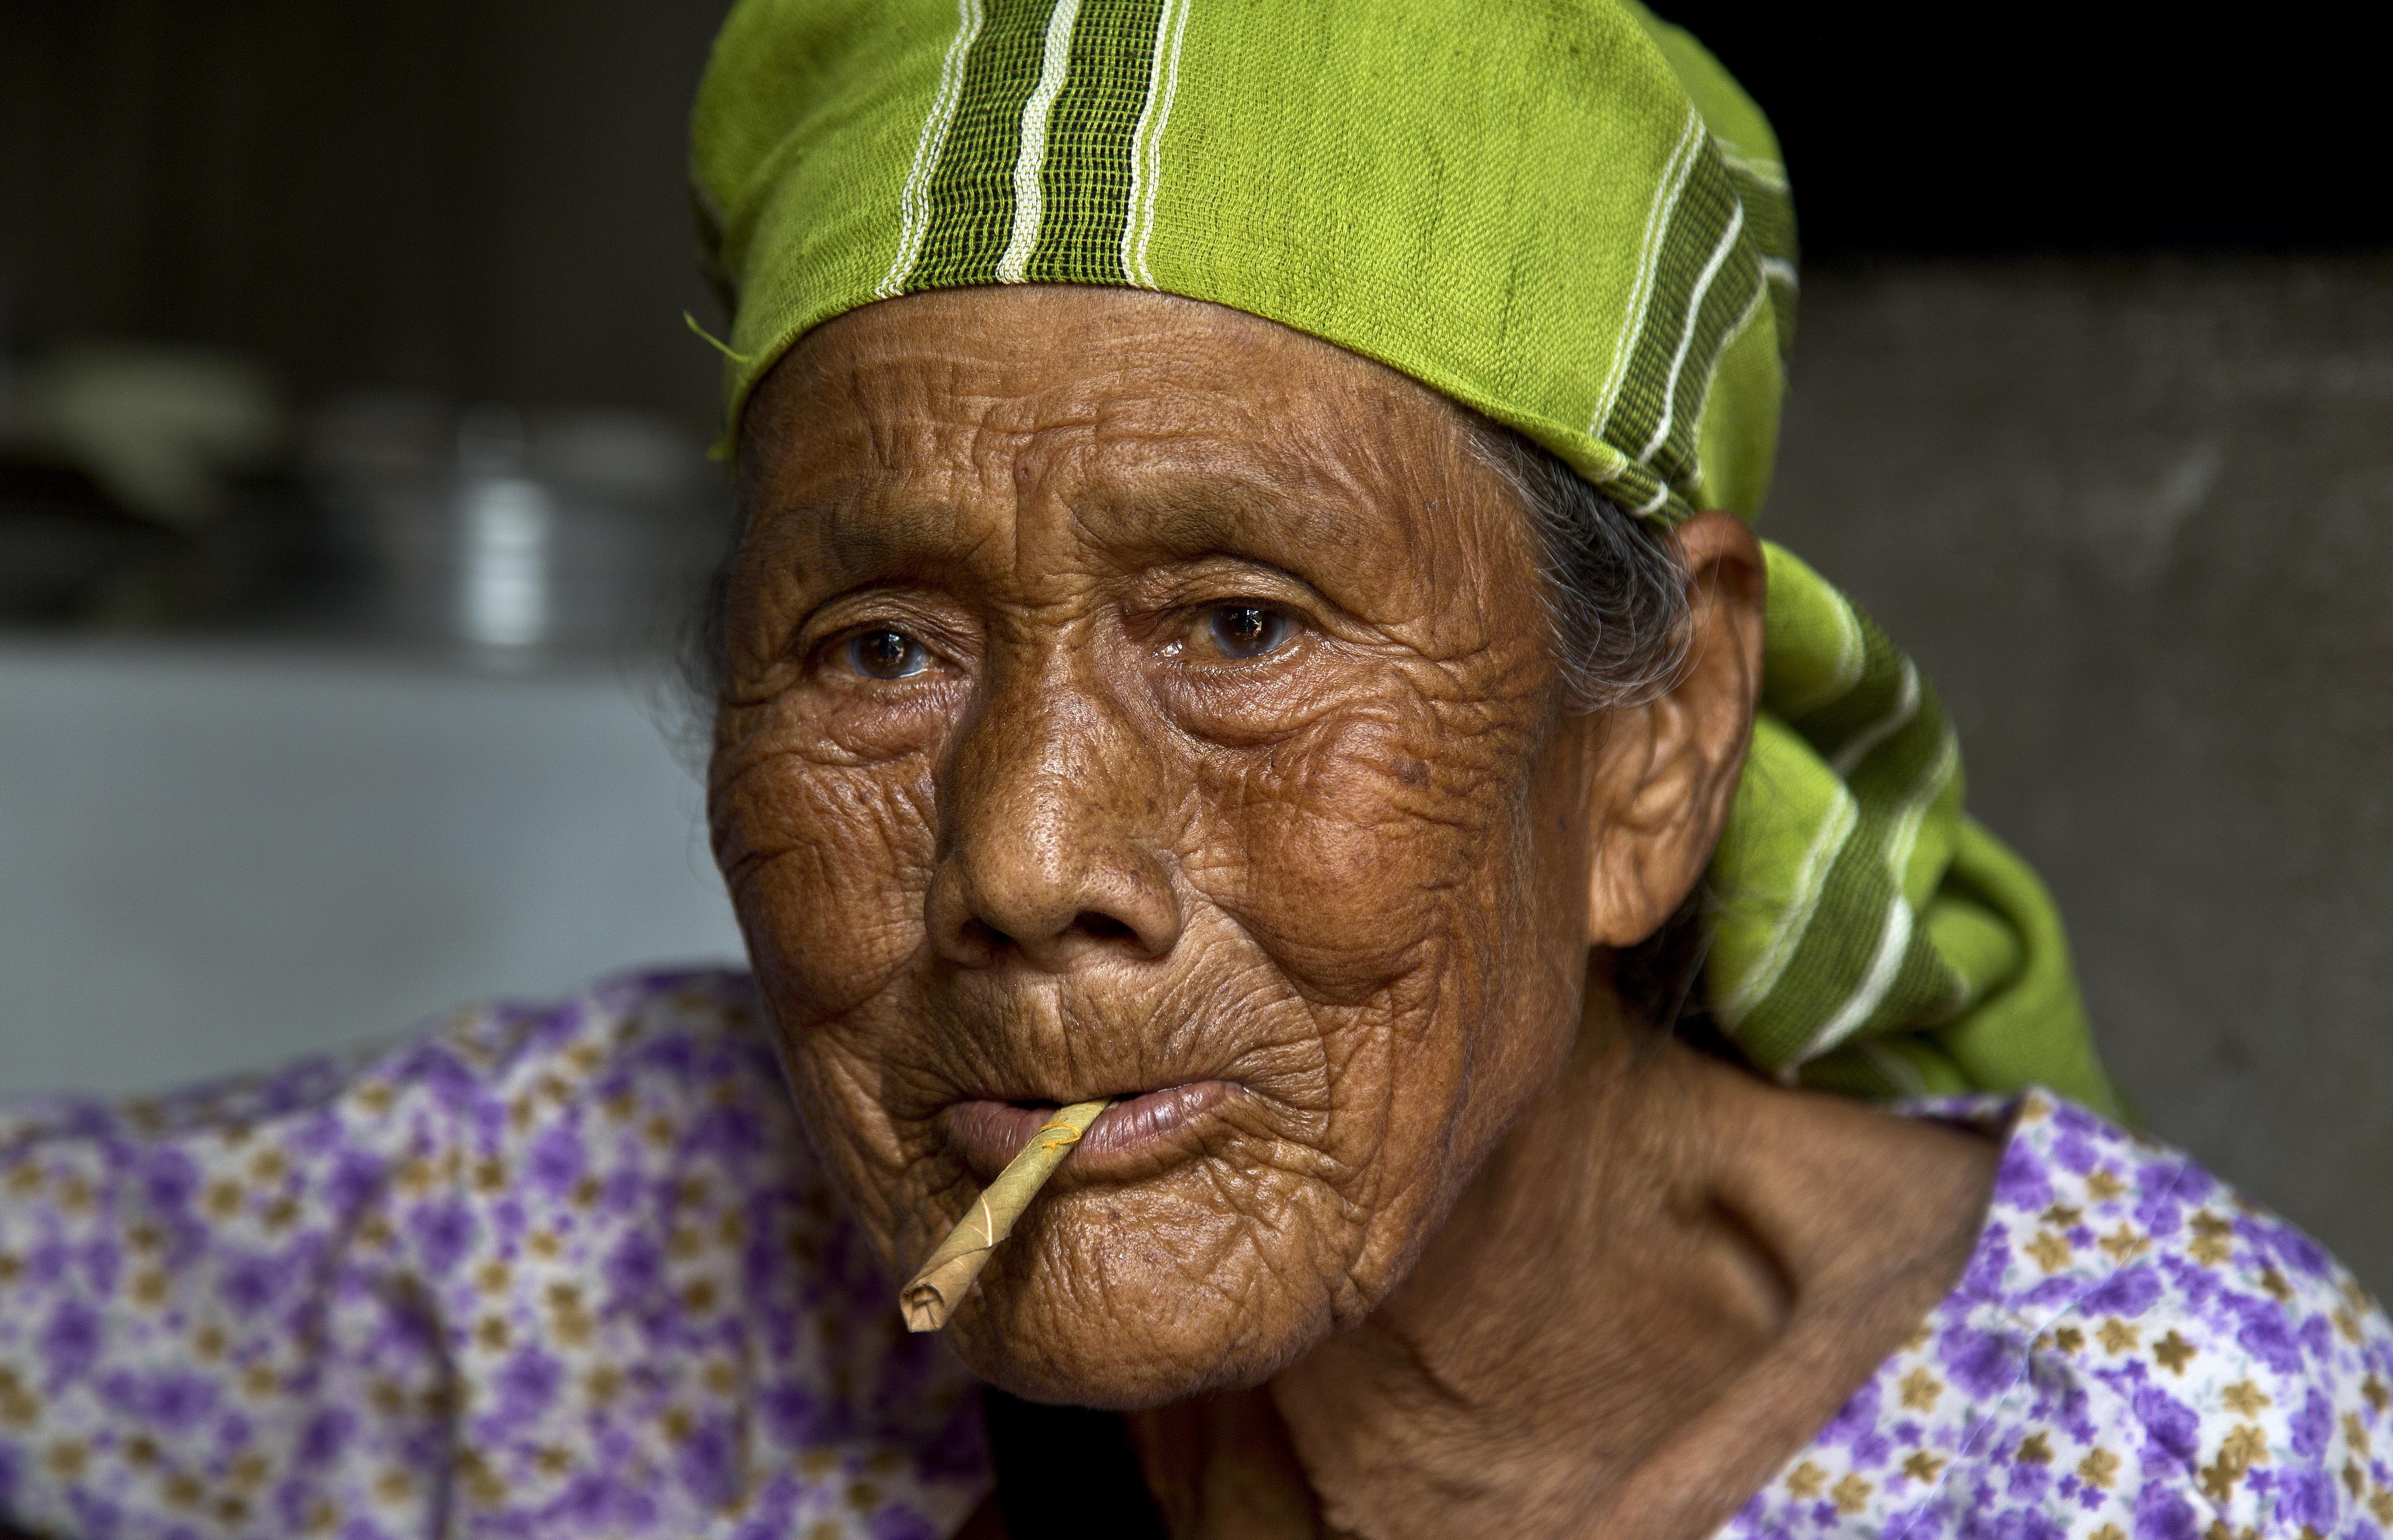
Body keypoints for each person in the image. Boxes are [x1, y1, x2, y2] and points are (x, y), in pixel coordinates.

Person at [4, 2, 2387, 1537]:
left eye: (1241, 628)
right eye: (879, 647)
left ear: (1652, 740)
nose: (1025, 858)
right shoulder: (607, 1233)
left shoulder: (2191, 1458)